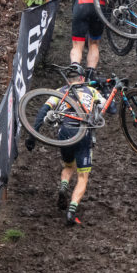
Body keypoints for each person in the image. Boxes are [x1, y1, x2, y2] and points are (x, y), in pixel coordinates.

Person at [24, 63, 105, 226]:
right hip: (83, 134)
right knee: (83, 176)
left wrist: (33, 135)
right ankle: (71, 211)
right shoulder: (91, 91)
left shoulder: (60, 91)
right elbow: (109, 108)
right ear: (82, 78)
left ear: (68, 80)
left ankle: (63, 186)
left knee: (68, 166)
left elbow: (42, 111)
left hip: (64, 133)